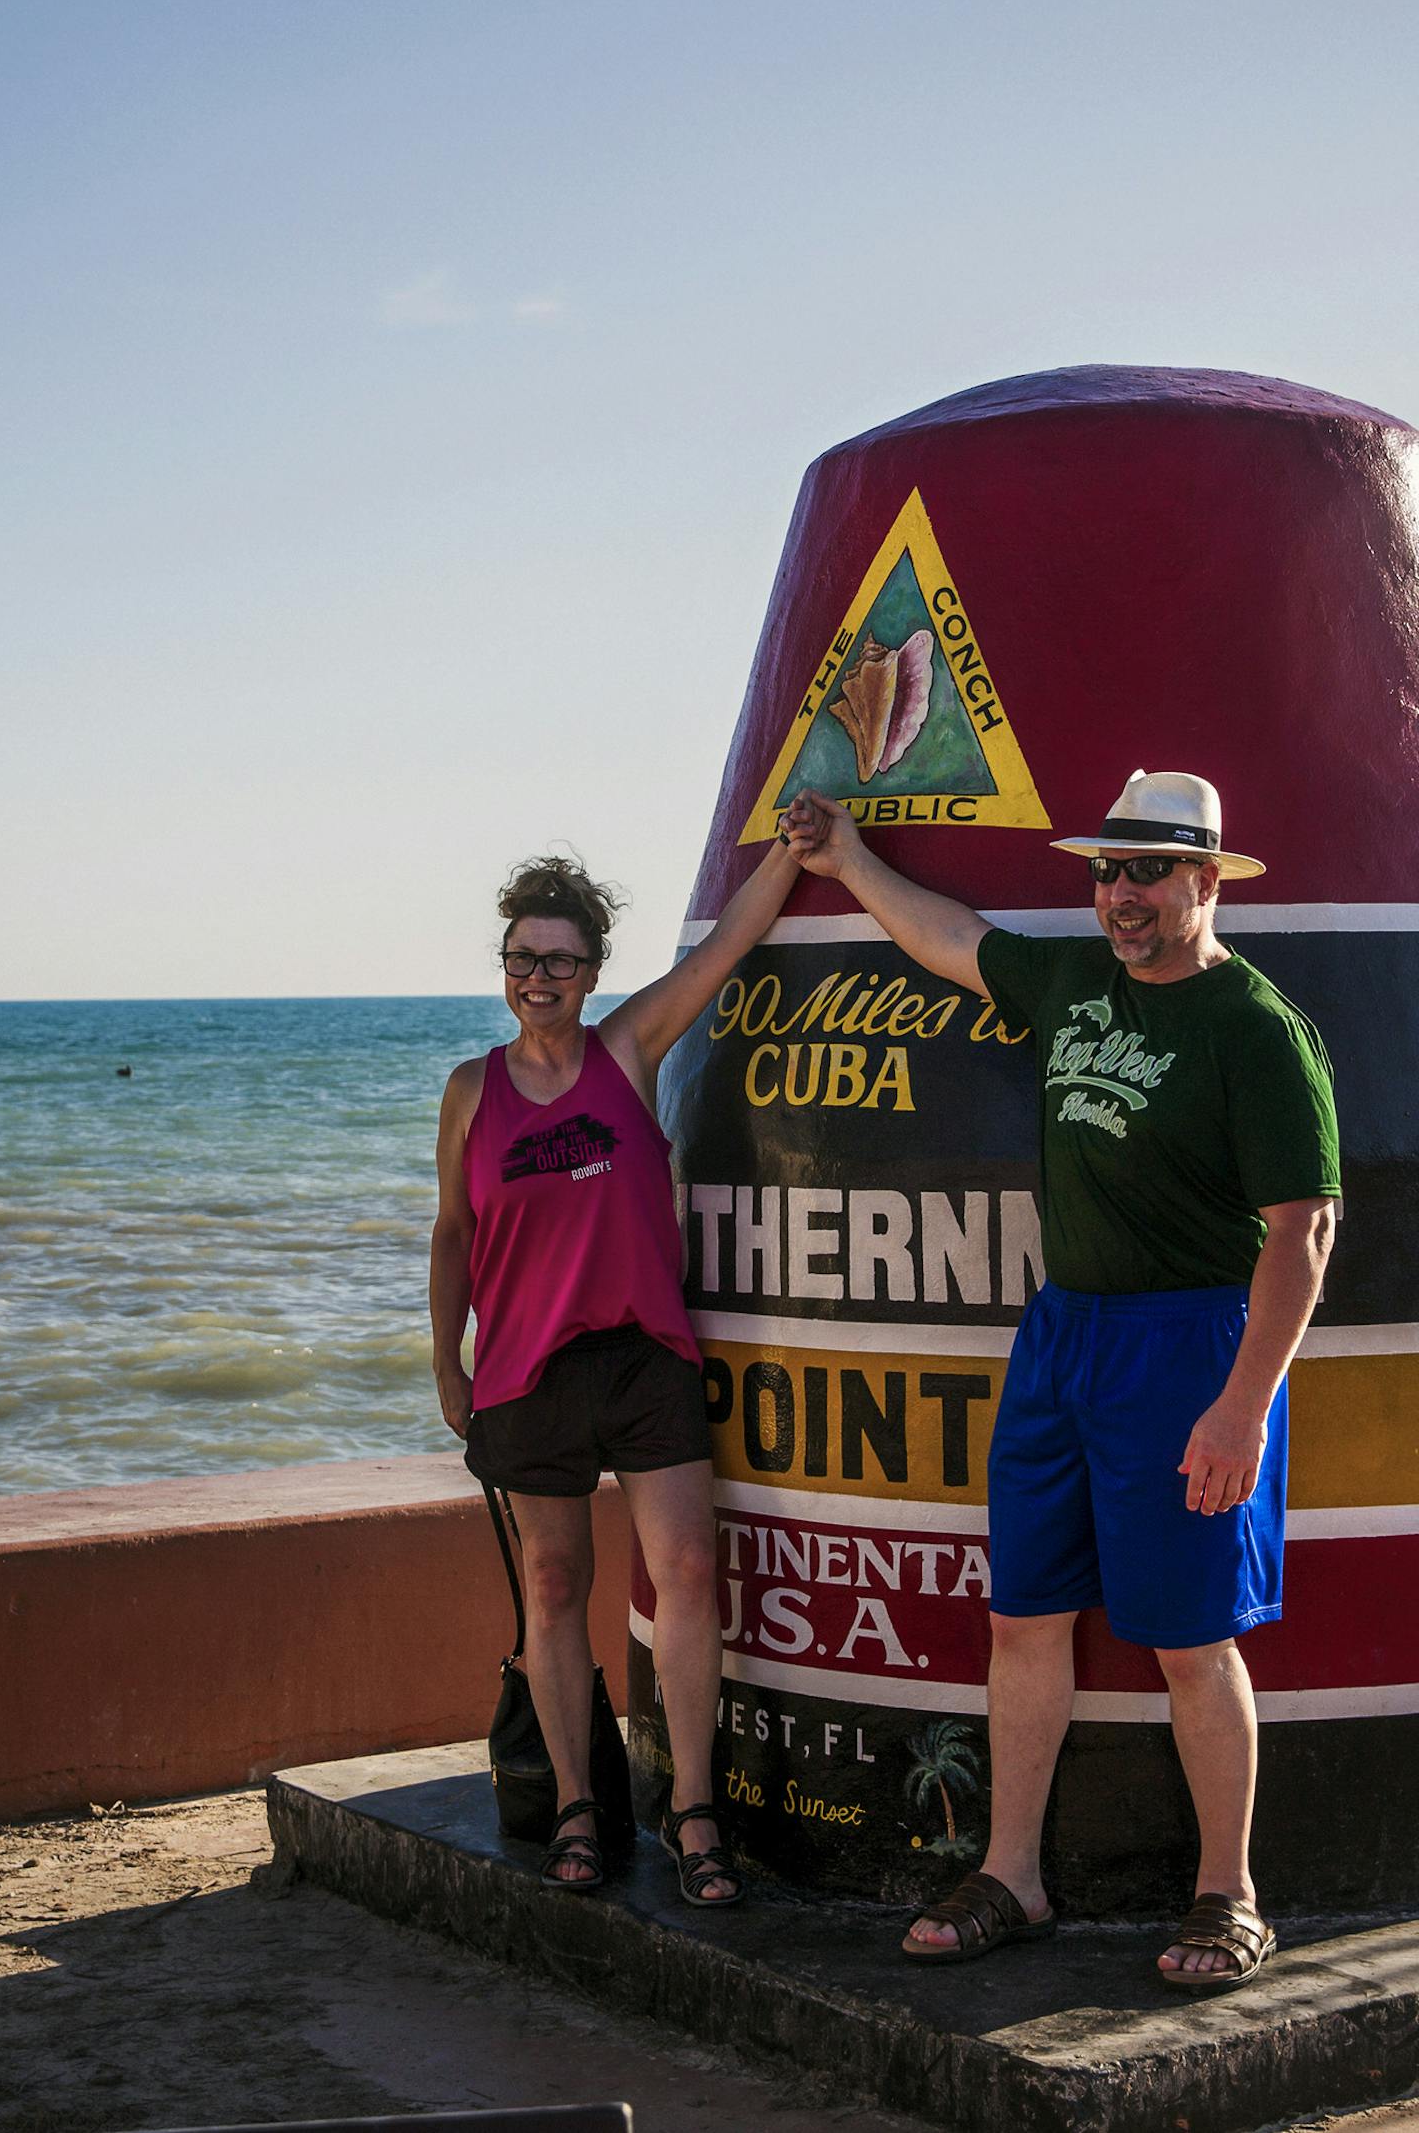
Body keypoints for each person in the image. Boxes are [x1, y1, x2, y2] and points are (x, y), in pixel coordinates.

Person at [784, 770, 1337, 1991]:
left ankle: (1229, 1892)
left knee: (1192, 1640)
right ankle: (1014, 1874)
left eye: (1147, 871)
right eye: (1106, 871)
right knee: (1022, 1614)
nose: (1121, 896)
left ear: (1206, 877)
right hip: (1063, 1339)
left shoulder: (1255, 1027)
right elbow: (950, 940)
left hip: (1190, 1348)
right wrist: (851, 860)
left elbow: (1303, 1230)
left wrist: (1242, 1402)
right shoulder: (1077, 979)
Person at [431, 838, 801, 1898]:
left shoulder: (629, 1048)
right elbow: (452, 1235)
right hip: (523, 1368)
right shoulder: (468, 1092)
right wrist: (444, 1360)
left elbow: (728, 948)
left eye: (558, 961)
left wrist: (793, 848)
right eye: (520, 959)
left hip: (645, 1357)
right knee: (553, 1587)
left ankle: (693, 1813)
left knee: (687, 1571)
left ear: (593, 973)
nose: (536, 979)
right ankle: (580, 1810)